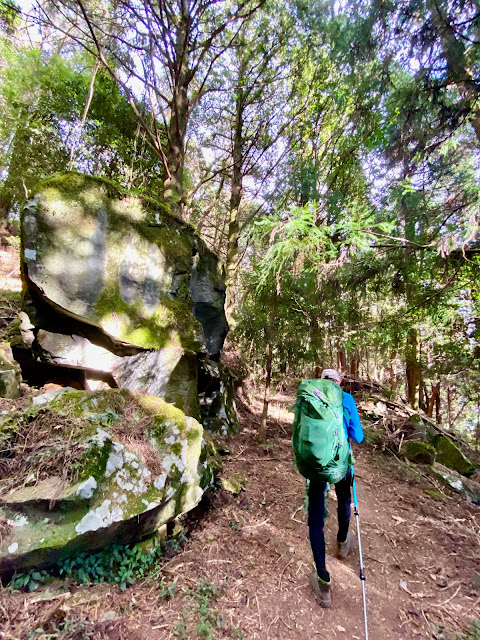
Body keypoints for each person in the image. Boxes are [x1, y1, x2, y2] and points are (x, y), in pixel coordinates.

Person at [309, 368, 364, 608]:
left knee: (315, 520)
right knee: (344, 500)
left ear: (322, 381)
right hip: (342, 463)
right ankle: (342, 541)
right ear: (339, 382)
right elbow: (358, 436)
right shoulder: (347, 399)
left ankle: (323, 581)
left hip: (317, 464)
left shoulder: (311, 397)